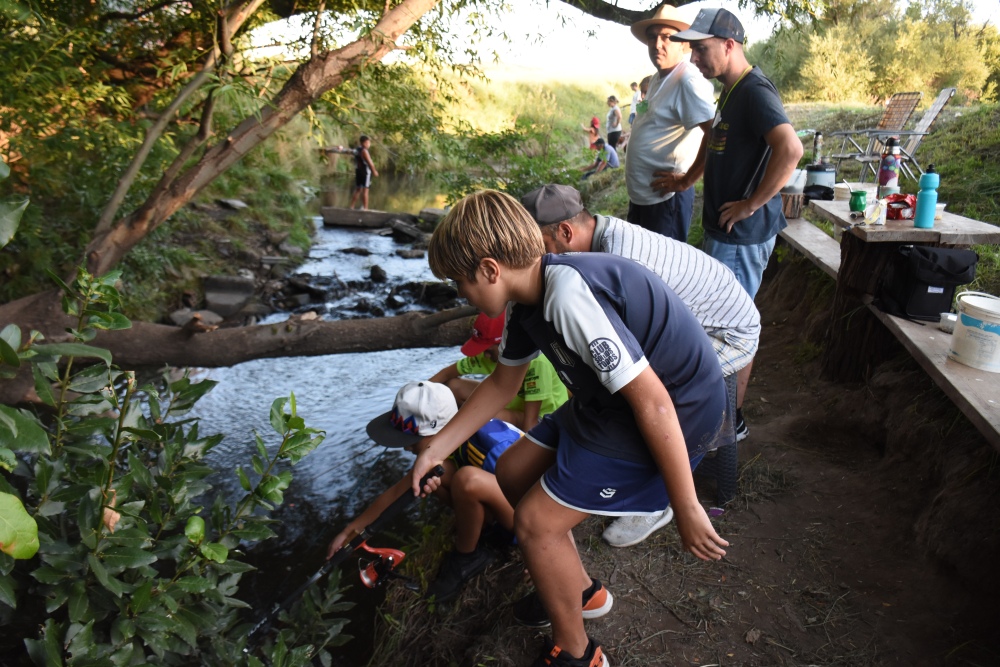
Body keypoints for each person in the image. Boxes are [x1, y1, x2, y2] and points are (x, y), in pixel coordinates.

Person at [411, 190, 729, 667]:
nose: (462, 295)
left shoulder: (568, 294)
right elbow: (501, 385)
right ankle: (579, 591)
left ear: (490, 270)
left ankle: (578, 653)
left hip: (676, 410)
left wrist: (684, 504)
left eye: (461, 282)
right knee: (514, 469)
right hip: (611, 403)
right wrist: (435, 450)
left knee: (536, 523)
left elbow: (655, 403)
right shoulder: (526, 303)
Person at [521, 183, 759, 546]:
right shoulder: (599, 236)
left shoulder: (619, 258)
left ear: (566, 232)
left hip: (725, 330)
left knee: (643, 394)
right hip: (710, 315)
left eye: (539, 250)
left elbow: (647, 371)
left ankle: (657, 497)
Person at [671, 8, 803, 438]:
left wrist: (750, 204)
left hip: (743, 234)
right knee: (718, 320)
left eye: (702, 50)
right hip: (724, 231)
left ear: (730, 45)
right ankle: (719, 409)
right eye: (692, 51)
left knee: (733, 324)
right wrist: (691, 178)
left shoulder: (755, 91)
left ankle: (733, 419)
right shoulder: (730, 91)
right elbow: (715, 141)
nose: (694, 60)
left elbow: (790, 149)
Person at [326, 380, 521, 602]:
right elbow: (397, 491)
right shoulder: (457, 439)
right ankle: (480, 529)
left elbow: (534, 499)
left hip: (523, 516)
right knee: (428, 473)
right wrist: (350, 531)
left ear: (442, 430)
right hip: (501, 503)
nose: (407, 447)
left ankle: (466, 557)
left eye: (413, 441)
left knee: (468, 480)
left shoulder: (494, 447)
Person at [625, 4, 716, 243]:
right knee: (642, 269)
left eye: (667, 37)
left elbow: (717, 134)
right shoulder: (658, 78)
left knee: (664, 273)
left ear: (684, 44)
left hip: (666, 201)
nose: (657, 44)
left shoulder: (687, 80)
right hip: (644, 198)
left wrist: (686, 181)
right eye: (652, 37)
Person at [430, 312, 569, 432]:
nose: (485, 356)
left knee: (484, 415)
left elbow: (530, 421)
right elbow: (446, 374)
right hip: (512, 403)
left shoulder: (536, 362)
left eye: (489, 350)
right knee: (453, 386)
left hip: (543, 417)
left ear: (505, 344)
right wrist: (415, 397)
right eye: (483, 350)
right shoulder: (490, 353)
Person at [349, 134, 379, 210]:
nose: (369, 144)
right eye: (368, 142)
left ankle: (352, 206)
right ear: (364, 143)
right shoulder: (364, 151)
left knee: (358, 189)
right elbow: (370, 162)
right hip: (365, 172)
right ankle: (365, 208)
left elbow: (350, 152)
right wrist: (374, 171)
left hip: (358, 171)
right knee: (366, 190)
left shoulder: (357, 149)